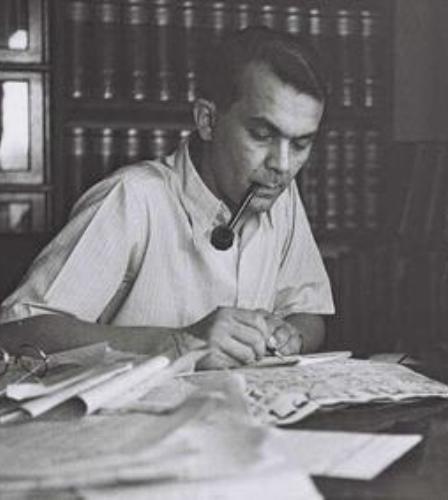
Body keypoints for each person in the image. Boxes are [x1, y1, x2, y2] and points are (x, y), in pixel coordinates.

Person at [0, 27, 334, 370]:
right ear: (208, 121)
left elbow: (307, 313)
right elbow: (13, 334)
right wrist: (178, 344)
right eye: (262, 135)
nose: (282, 165)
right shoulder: (131, 197)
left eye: (301, 144)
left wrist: (289, 335)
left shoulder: (279, 195)